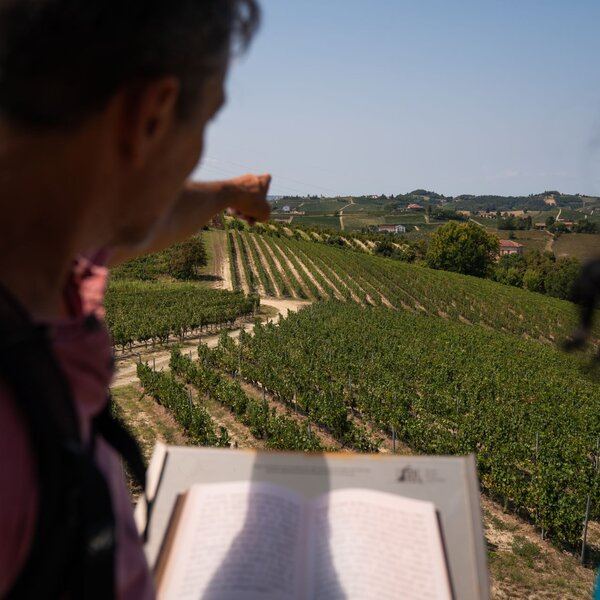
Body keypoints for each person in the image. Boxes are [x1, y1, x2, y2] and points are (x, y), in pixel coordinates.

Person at [0, 0, 270, 598]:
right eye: (206, 120)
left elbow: (152, 215)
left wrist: (231, 193)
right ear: (150, 116)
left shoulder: (45, 247)